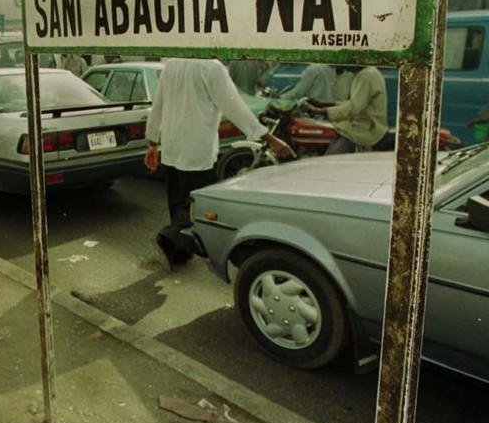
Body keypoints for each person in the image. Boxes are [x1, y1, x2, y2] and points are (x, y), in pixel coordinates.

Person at [144, 58, 293, 268]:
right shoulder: (212, 67)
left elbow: (158, 106)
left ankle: (177, 251)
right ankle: (170, 240)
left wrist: (152, 142)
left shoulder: (172, 64)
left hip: (172, 148)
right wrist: (269, 138)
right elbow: (235, 107)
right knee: (205, 208)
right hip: (197, 151)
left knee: (179, 203)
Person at [307, 65, 388, 155]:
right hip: (357, 125)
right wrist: (323, 104)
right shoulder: (366, 73)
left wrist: (320, 111)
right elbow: (354, 102)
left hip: (364, 129)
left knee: (330, 159)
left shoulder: (367, 75)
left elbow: (353, 107)